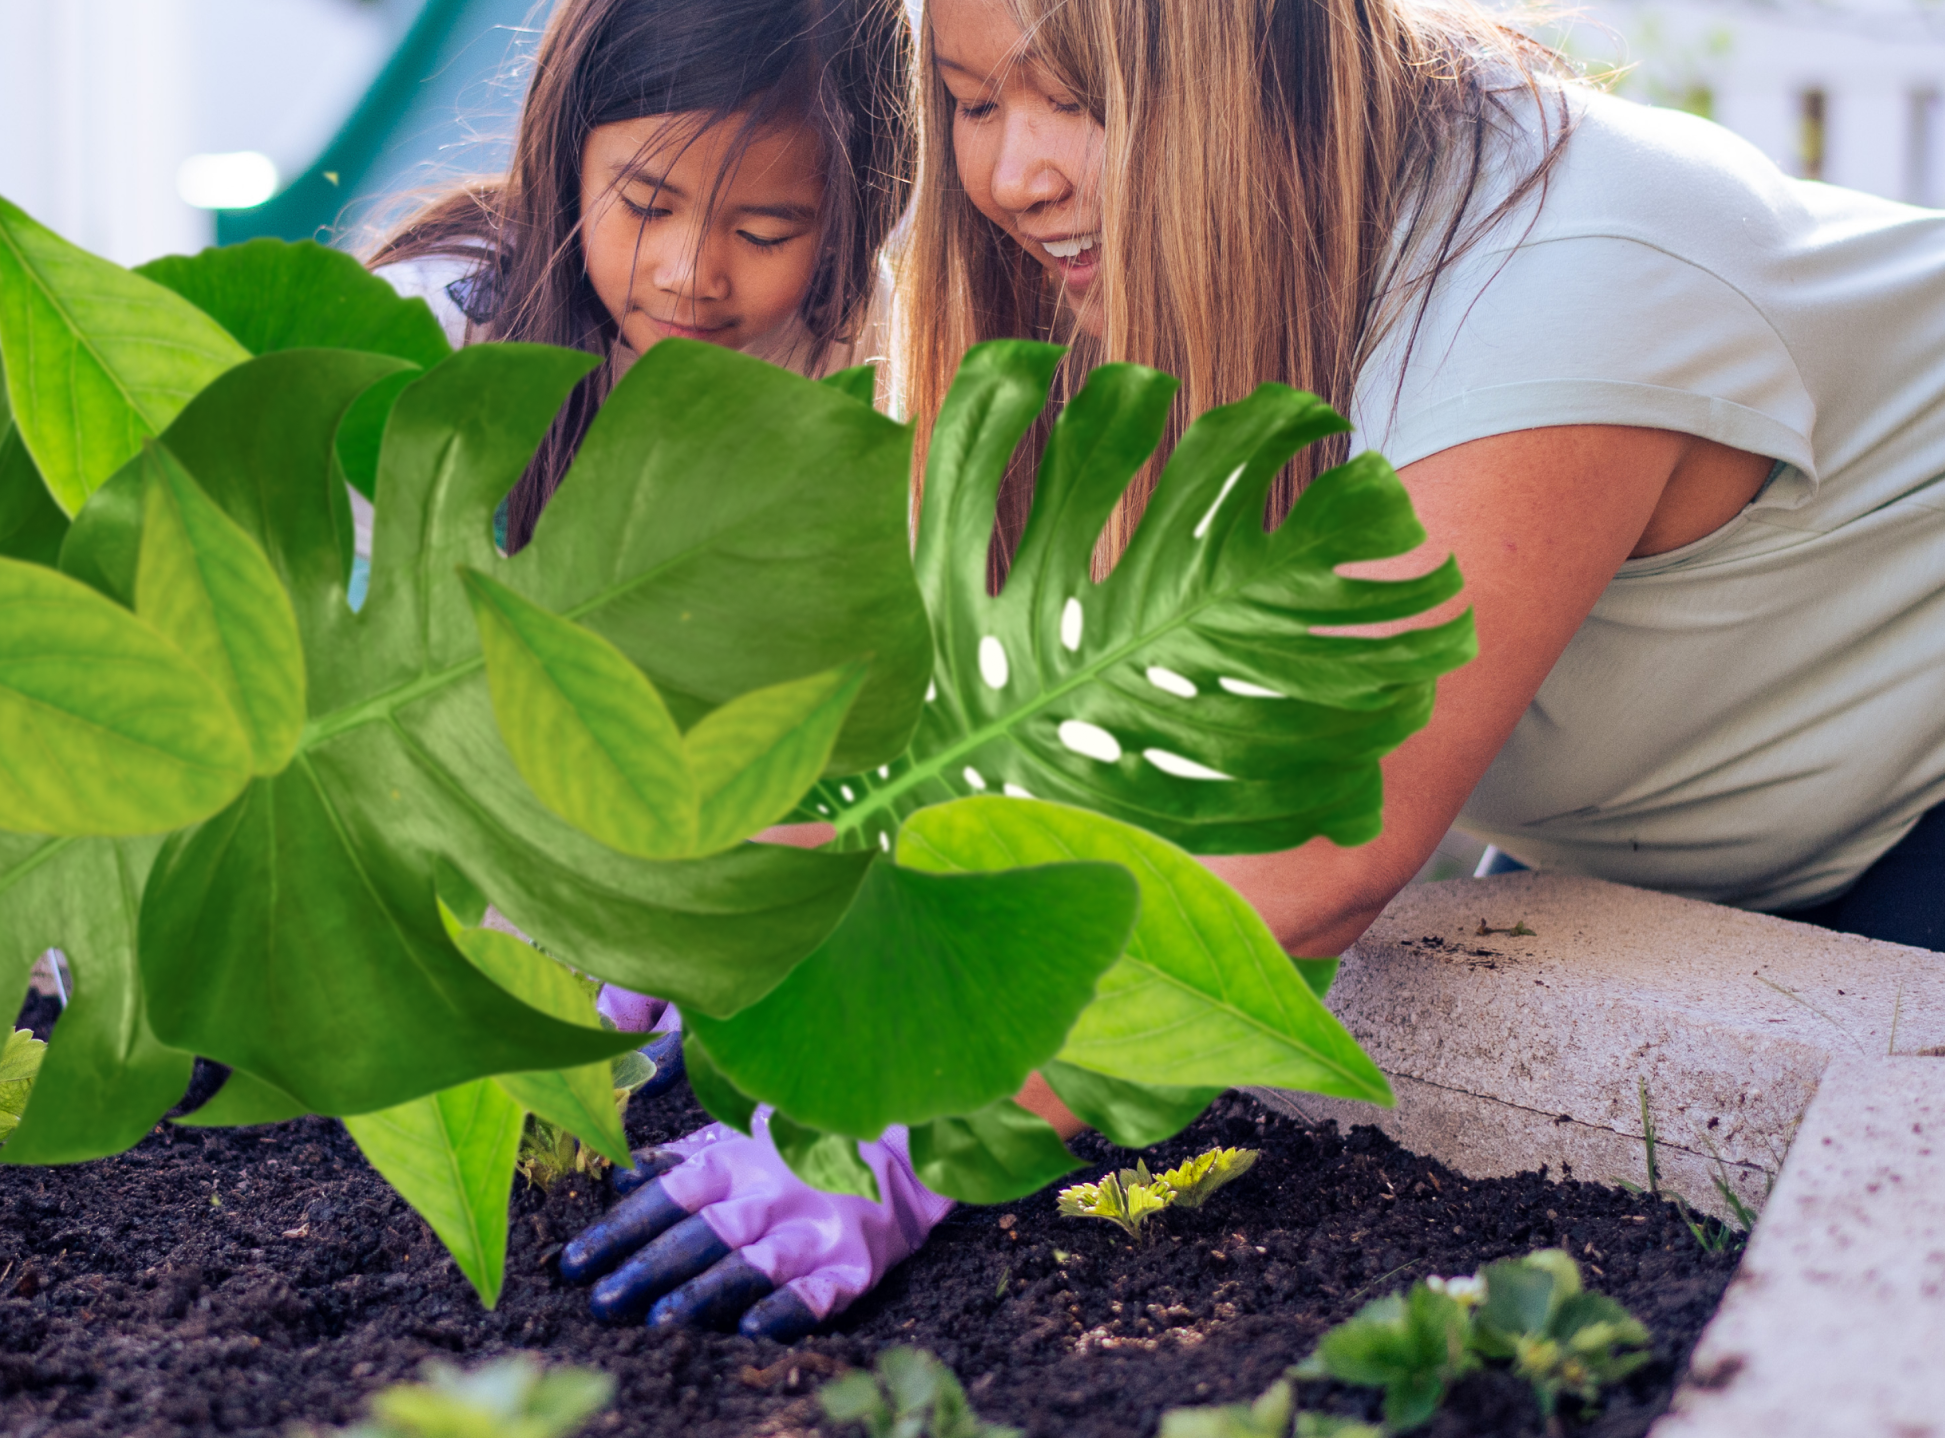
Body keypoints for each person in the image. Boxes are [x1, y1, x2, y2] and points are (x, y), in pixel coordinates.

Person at [571, 0, 1945, 1340]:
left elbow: (1312, 851)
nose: (1011, 172)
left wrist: (913, 1128)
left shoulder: (1571, 284)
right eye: (976, 103)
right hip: (1669, 821)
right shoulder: (1196, 261)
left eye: (1082, 101)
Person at [364, 0, 912, 549]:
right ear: (566, 154)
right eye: (646, 207)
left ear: (855, 226)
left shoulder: (851, 333)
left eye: (762, 235)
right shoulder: (431, 335)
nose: (691, 276)